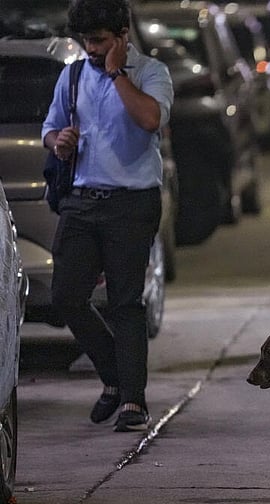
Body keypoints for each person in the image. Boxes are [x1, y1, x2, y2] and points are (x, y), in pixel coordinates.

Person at [42, 0, 174, 432]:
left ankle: (133, 401)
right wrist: (57, 140)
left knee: (125, 302)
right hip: (81, 200)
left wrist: (118, 74)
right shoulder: (74, 74)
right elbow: (51, 127)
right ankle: (116, 378)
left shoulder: (151, 74)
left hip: (131, 203)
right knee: (65, 296)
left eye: (99, 41)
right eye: (85, 42)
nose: (91, 50)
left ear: (123, 35)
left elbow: (151, 119)